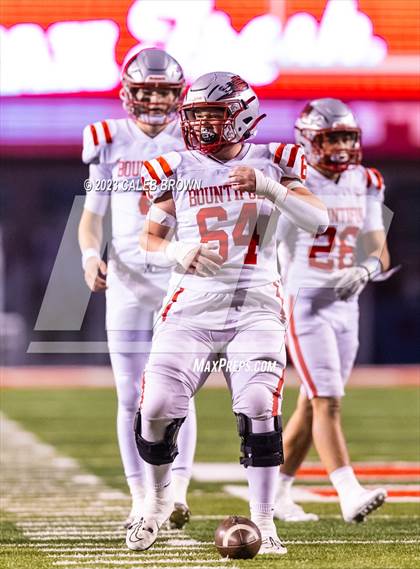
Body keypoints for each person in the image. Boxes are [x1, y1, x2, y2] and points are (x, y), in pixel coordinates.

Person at [125, 71, 329, 554]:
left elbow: (319, 220)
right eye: (195, 116)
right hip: (190, 308)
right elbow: (149, 238)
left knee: (260, 406)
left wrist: (270, 188)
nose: (201, 125)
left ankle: (265, 522)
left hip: (256, 305)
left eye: (212, 115)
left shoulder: (276, 160)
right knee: (154, 408)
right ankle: (155, 504)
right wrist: (177, 254)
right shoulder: (176, 166)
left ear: (239, 116)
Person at [78, 48, 196, 529]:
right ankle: (140, 497)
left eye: (164, 91)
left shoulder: (192, 138)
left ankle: (178, 492)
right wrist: (89, 255)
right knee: (130, 395)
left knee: (177, 392)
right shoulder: (107, 140)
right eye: (145, 89)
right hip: (126, 280)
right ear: (128, 91)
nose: (153, 99)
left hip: (177, 278)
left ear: (178, 95)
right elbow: (92, 216)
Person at [274, 98, 390, 523]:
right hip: (305, 302)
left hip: (347, 304)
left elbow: (378, 245)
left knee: (311, 403)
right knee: (327, 401)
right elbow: (266, 246)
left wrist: (367, 266)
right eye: (331, 137)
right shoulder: (293, 182)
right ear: (308, 141)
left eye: (346, 136)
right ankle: (348, 490)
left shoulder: (366, 180)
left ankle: (275, 493)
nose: (341, 145)